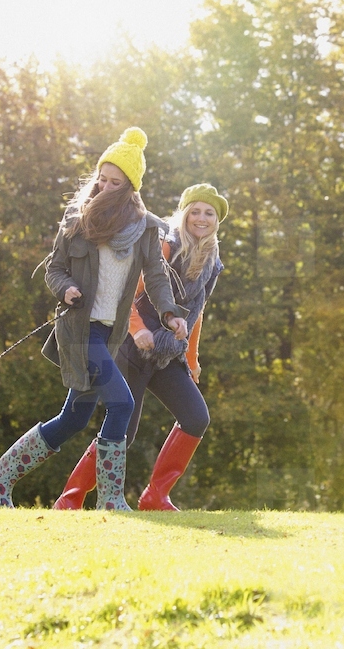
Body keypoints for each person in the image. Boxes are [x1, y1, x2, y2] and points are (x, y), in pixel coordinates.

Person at [0, 127, 187, 510]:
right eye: (101, 179)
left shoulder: (145, 229)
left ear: (130, 187)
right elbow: (54, 270)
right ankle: (109, 501)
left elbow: (157, 277)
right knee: (122, 405)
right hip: (79, 332)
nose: (104, 187)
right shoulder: (77, 220)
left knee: (73, 419)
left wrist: (170, 313)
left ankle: (0, 474)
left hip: (109, 334)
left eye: (115, 182)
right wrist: (66, 289)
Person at [53, 183, 227, 511]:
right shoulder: (164, 244)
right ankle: (70, 499)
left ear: (217, 220)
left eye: (209, 213)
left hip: (167, 353)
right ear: (184, 213)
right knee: (124, 433)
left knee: (195, 417)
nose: (201, 218)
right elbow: (126, 290)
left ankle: (155, 496)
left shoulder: (212, 262)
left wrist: (191, 358)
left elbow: (196, 313)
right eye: (195, 211)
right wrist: (137, 329)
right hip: (131, 347)